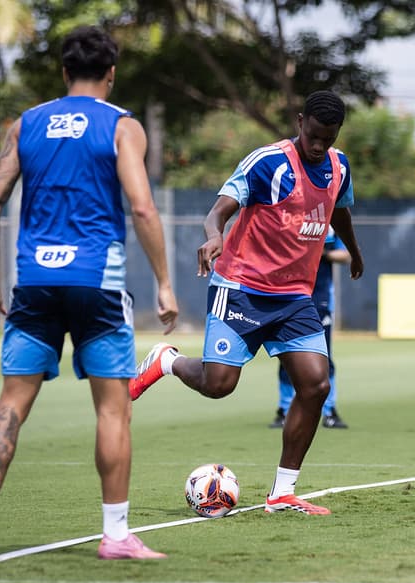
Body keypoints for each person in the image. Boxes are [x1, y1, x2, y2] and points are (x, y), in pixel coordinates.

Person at [0, 26, 178, 561]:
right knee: (112, 411)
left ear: (64, 73)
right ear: (111, 73)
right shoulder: (122, 126)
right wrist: (164, 284)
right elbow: (143, 207)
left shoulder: (26, 124)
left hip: (34, 281)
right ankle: (115, 535)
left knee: (10, 404)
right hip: (96, 283)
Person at [131, 90, 364, 516]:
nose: (318, 146)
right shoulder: (267, 163)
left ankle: (281, 493)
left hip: (295, 295)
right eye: (312, 136)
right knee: (219, 385)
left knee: (316, 384)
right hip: (241, 287)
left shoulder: (339, 166)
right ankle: (167, 360)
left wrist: (355, 250)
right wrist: (214, 234)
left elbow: (339, 210)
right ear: (299, 122)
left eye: (327, 139)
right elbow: (218, 210)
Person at [269, 226, 351, 429]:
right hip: (287, 298)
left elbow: (345, 255)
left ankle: (329, 410)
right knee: (286, 356)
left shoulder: (330, 227)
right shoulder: (286, 221)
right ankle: (284, 409)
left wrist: (322, 252)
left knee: (324, 357)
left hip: (320, 299)